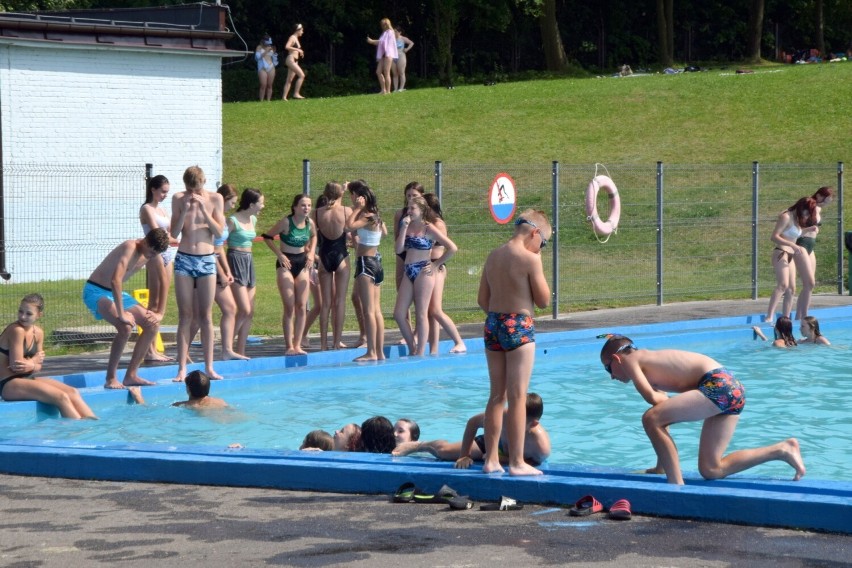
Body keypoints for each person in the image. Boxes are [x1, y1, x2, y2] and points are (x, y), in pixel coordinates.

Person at [599, 334, 806, 485]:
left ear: (617, 359)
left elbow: (652, 400)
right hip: (731, 387)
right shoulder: (649, 364)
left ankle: (676, 484)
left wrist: (661, 403)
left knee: (650, 419)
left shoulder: (630, 360)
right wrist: (659, 467)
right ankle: (782, 449)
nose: (611, 376)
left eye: (608, 368)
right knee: (711, 469)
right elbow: (662, 410)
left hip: (717, 385)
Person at [477, 210, 551, 476]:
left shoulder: (493, 256)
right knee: (518, 396)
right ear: (535, 233)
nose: (541, 248)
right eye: (543, 243)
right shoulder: (530, 259)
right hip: (518, 325)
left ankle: (491, 460)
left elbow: (482, 300)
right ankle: (517, 462)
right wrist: (537, 259)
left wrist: (500, 314)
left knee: (497, 395)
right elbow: (543, 301)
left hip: (493, 324)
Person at [84, 229, 170, 389]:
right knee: (125, 326)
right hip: (96, 290)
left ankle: (131, 375)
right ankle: (111, 378)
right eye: (150, 252)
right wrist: (122, 313)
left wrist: (160, 312)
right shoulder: (130, 247)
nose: (150, 256)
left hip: (116, 293)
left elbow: (163, 279)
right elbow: (115, 280)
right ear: (145, 241)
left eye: (154, 254)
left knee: (152, 325)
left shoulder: (153, 252)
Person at [0, 294, 97, 419]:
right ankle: (78, 432)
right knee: (61, 397)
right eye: (20, 311)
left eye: (28, 313)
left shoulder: (38, 333)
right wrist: (34, 361)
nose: (23, 316)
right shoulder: (16, 330)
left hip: (27, 379)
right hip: (8, 384)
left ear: (39, 315)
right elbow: (16, 366)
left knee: (73, 392)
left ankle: (94, 426)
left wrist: (32, 365)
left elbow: (38, 367)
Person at [170, 165, 225, 383]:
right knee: (185, 315)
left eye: (197, 187)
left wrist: (203, 211)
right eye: (190, 188)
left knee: (206, 315)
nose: (194, 192)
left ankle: (209, 367)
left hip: (206, 260)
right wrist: (184, 210)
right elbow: (173, 233)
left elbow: (219, 232)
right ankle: (182, 368)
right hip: (184, 258)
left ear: (203, 183)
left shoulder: (215, 199)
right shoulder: (178, 198)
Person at [392, 393, 551, 467]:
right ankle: (419, 445)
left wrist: (501, 459)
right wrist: (464, 455)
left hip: (503, 454)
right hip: (491, 442)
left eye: (518, 420)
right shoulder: (502, 415)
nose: (510, 422)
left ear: (533, 424)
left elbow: (532, 462)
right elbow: (472, 423)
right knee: (443, 451)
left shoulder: (540, 447)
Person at [394, 194, 457, 356]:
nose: (409, 211)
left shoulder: (428, 228)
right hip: (409, 270)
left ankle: (420, 352)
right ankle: (412, 347)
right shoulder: (406, 226)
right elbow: (399, 250)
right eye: (408, 207)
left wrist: (436, 264)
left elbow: (452, 248)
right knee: (399, 314)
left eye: (412, 208)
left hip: (423, 271)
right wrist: (403, 228)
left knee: (421, 313)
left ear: (422, 210)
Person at [263, 194, 316, 355]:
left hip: (302, 263)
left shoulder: (309, 223)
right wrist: (279, 254)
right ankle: (289, 346)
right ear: (295, 207)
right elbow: (267, 237)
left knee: (301, 306)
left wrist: (312, 253)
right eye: (303, 205)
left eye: (308, 205)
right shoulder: (286, 222)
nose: (306, 208)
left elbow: (314, 236)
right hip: (286, 263)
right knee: (289, 306)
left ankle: (297, 344)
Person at [345, 180, 387, 361]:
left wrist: (355, 209)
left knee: (369, 310)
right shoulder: (375, 214)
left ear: (359, 197)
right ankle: (380, 352)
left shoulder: (367, 216)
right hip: (376, 262)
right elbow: (383, 233)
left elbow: (348, 226)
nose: (352, 199)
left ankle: (371, 352)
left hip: (366, 263)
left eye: (353, 196)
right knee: (376, 311)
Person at [139, 174, 178, 362]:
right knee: (154, 304)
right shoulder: (147, 209)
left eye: (167, 192)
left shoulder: (162, 209)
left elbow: (170, 233)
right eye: (162, 191)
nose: (164, 195)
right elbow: (157, 233)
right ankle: (149, 349)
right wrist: (175, 239)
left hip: (167, 253)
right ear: (153, 189)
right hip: (155, 253)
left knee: (163, 300)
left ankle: (153, 348)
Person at [424, 193, 466, 355]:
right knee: (430, 311)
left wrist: (436, 264)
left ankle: (459, 341)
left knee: (435, 310)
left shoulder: (438, 224)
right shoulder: (429, 223)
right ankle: (433, 349)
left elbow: (451, 249)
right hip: (430, 267)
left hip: (437, 268)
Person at [764, 197, 817, 323]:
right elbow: (774, 237)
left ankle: (785, 319)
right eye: (807, 211)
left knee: (791, 289)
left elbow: (792, 234)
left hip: (791, 255)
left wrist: (808, 230)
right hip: (781, 253)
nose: (807, 215)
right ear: (801, 207)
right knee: (782, 285)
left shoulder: (796, 219)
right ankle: (769, 316)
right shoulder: (786, 217)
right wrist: (792, 245)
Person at [314, 182, 352, 350]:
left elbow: (313, 235)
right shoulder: (346, 211)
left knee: (326, 303)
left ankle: (323, 344)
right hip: (341, 256)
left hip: (324, 256)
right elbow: (352, 232)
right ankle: (337, 342)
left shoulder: (317, 213)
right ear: (341, 195)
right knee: (340, 301)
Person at [228, 188, 264, 357]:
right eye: (261, 203)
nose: (263, 206)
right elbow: (219, 242)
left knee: (250, 311)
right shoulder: (233, 220)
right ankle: (227, 347)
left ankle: (240, 350)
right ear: (251, 204)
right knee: (243, 308)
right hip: (235, 259)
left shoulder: (253, 219)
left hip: (248, 261)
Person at [794, 186, 834, 321]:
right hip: (802, 243)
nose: (830, 200)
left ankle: (799, 316)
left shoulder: (818, 208)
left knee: (809, 285)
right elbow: (799, 224)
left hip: (811, 245)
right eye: (828, 197)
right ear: (820, 195)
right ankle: (805, 317)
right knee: (809, 283)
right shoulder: (809, 205)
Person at [392, 182, 425, 344]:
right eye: (408, 195)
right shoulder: (401, 214)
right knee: (402, 295)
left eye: (415, 195)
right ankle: (408, 331)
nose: (411, 198)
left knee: (420, 299)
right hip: (404, 257)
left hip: (420, 259)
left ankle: (419, 333)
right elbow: (396, 238)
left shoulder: (424, 216)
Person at [366, 18, 398, 95]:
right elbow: (381, 43)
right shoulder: (385, 33)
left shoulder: (390, 32)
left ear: (387, 24)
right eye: (382, 24)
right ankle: (383, 90)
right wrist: (372, 42)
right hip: (383, 55)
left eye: (384, 24)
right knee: (378, 71)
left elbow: (383, 42)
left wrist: (372, 41)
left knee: (386, 72)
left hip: (388, 54)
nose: (383, 26)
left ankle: (388, 91)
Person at [281, 23, 306, 100]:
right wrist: (298, 49)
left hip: (295, 60)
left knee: (289, 80)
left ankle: (284, 97)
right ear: (297, 30)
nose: (302, 32)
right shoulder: (292, 37)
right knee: (302, 75)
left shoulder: (296, 38)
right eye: (301, 30)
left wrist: (300, 52)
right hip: (291, 59)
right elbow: (287, 47)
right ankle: (296, 93)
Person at [391, 28, 414, 92]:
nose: (394, 33)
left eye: (396, 32)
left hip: (401, 56)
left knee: (401, 72)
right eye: (394, 31)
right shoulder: (391, 39)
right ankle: (395, 89)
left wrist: (406, 49)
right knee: (395, 73)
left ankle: (401, 88)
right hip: (393, 57)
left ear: (400, 32)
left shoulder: (403, 38)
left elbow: (411, 43)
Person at [255, 33, 276, 101]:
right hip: (262, 67)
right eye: (267, 43)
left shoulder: (271, 47)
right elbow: (257, 57)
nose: (268, 45)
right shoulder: (259, 47)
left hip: (271, 66)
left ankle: (268, 100)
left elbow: (274, 57)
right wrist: (266, 51)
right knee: (263, 85)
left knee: (270, 85)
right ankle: (261, 100)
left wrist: (273, 51)